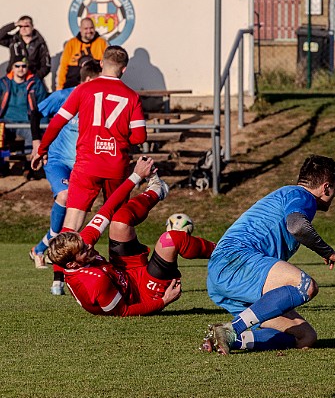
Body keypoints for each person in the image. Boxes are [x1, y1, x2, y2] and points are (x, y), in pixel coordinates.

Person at [202, 154, 335, 355]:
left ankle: (227, 340)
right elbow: (297, 226)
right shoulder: (301, 196)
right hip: (236, 260)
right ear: (326, 187)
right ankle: (232, 329)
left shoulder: (287, 195)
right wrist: (327, 251)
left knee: (305, 337)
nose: (334, 194)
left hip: (223, 274)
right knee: (304, 285)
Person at [47, 156, 216, 316]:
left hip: (125, 272)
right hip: (142, 295)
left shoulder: (81, 245)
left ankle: (156, 190)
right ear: (71, 263)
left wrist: (136, 176)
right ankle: (224, 251)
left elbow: (107, 208)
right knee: (170, 239)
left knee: (119, 221)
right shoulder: (93, 283)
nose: (89, 245)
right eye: (83, 250)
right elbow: (124, 311)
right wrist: (164, 301)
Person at [31, 45, 147, 233]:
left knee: (73, 220)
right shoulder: (132, 96)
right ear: (124, 69)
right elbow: (140, 137)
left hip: (87, 163)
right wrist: (117, 140)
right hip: (115, 164)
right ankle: (118, 262)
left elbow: (56, 123)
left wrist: (42, 149)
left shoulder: (83, 89)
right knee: (117, 218)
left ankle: (64, 262)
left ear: (101, 64)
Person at [29, 60, 102, 296]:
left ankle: (40, 249)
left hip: (83, 164)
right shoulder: (64, 96)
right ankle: (52, 261)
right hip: (58, 161)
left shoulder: (97, 101)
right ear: (90, 80)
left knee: (77, 213)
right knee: (65, 195)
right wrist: (37, 143)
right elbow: (35, 112)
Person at [0, 56, 47, 157]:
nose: (20, 69)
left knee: (34, 135)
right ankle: (2, 164)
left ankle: (28, 165)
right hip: (5, 121)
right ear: (12, 67)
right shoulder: (3, 83)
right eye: (17, 66)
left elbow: (43, 107)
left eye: (24, 66)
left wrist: (43, 127)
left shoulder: (35, 83)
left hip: (27, 122)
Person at [57, 17, 108, 90]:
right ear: (80, 29)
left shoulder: (102, 43)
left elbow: (107, 66)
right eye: (86, 28)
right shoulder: (71, 43)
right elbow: (63, 67)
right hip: (72, 84)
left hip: (94, 84)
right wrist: (60, 88)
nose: (89, 31)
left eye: (91, 28)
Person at [0, 15, 51, 83]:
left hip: (32, 81)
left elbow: (46, 65)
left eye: (26, 26)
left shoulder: (40, 43)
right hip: (13, 80)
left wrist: (35, 77)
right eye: (21, 26)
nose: (23, 28)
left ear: (32, 27)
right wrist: (14, 24)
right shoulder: (13, 40)